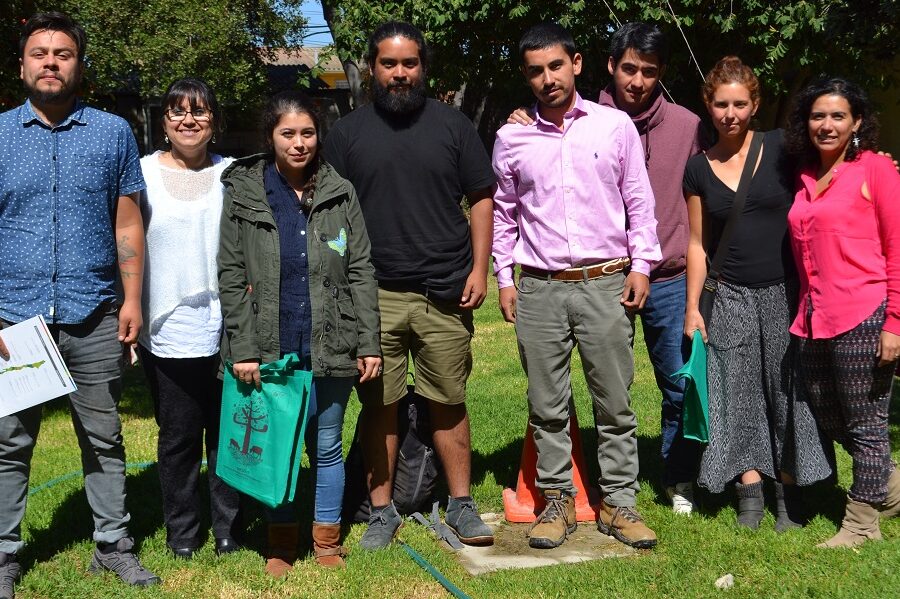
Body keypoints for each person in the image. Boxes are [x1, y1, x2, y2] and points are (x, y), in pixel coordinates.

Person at [508, 22, 706, 514]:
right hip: (590, 278)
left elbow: (696, 186)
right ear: (608, 67)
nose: (637, 81)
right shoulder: (547, 126)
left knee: (671, 383)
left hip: (665, 275)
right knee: (560, 397)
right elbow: (510, 205)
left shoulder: (686, 125)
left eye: (649, 72)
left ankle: (671, 477)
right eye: (628, 69)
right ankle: (566, 494)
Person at [0, 12, 161, 597]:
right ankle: (4, 555)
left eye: (62, 53)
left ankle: (113, 544)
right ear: (22, 64)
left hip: (93, 311)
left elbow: (128, 221)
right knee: (9, 443)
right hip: (12, 317)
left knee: (103, 435)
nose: (50, 62)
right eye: (39, 53)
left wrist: (132, 299)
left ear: (78, 65)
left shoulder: (112, 133)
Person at [322, 21, 495, 549]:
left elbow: (482, 197)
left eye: (410, 63)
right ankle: (382, 512)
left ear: (423, 66)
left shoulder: (454, 126)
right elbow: (331, 220)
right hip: (373, 296)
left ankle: (462, 505)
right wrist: (339, 283)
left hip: (443, 290)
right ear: (372, 68)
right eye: (389, 64)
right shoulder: (347, 134)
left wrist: (479, 269)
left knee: (448, 399)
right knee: (381, 405)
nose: (400, 74)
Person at [493, 22, 661, 550]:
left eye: (556, 66)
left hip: (605, 281)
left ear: (578, 64)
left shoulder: (614, 127)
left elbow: (639, 201)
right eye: (536, 71)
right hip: (540, 287)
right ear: (527, 76)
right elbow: (504, 214)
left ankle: (619, 504)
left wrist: (642, 265)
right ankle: (558, 502)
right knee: (546, 405)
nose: (548, 79)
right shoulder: (511, 137)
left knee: (614, 402)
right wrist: (504, 277)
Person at [218, 90, 381, 574]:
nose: (298, 143)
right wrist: (244, 347)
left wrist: (368, 341)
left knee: (326, 444)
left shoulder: (340, 191)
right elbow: (229, 272)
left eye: (307, 133)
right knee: (279, 446)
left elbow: (361, 269)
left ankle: (327, 540)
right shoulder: (245, 192)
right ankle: (282, 541)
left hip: (331, 341)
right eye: (287, 133)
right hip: (270, 346)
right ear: (270, 137)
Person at [682, 57, 833, 531]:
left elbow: (833, 172)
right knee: (739, 395)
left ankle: (787, 492)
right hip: (729, 296)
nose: (730, 113)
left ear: (755, 104)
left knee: (789, 393)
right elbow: (696, 243)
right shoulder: (697, 169)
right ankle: (749, 491)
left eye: (740, 104)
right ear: (708, 106)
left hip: (786, 293)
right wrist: (692, 308)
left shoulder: (782, 149)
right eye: (721, 104)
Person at [784, 77, 900, 548]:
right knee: (827, 414)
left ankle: (860, 524)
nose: (826, 125)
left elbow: (897, 248)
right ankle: (889, 488)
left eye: (837, 116)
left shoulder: (876, 170)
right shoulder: (805, 174)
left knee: (866, 421)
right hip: (814, 317)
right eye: (817, 116)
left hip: (865, 311)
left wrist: (894, 322)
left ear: (856, 122)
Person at [136, 78, 240, 559]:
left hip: (226, 326)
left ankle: (227, 530)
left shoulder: (235, 174)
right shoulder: (141, 175)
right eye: (178, 112)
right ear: (164, 122)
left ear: (213, 122)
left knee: (226, 435)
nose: (188, 120)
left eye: (199, 111)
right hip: (168, 328)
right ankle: (182, 533)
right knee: (178, 437)